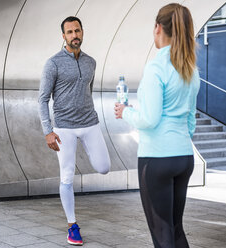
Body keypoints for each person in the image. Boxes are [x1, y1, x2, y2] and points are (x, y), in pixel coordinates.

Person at [114, 3, 200, 248]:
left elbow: (149, 119)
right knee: (175, 229)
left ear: (158, 28)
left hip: (157, 159)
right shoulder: (191, 70)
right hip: (184, 156)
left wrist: (126, 111)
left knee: (162, 235)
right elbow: (191, 120)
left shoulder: (156, 67)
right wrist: (178, 140)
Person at [38, 16, 111, 246]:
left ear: (82, 32)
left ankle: (87, 150)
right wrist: (48, 131)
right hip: (64, 128)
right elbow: (42, 99)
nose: (74, 35)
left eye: (77, 31)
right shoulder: (53, 63)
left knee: (104, 167)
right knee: (67, 176)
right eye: (69, 32)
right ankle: (72, 226)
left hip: (90, 122)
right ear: (63, 36)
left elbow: (88, 90)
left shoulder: (91, 62)